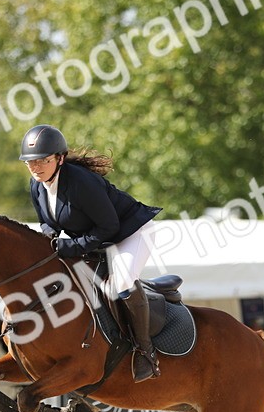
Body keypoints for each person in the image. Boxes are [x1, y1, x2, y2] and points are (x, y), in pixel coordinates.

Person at [19, 124, 163, 381]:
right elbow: (47, 223)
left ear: (60, 159)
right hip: (98, 239)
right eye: (31, 162)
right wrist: (49, 241)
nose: (36, 167)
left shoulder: (81, 182)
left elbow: (109, 226)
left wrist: (70, 247)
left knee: (121, 282)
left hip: (130, 233)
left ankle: (146, 351)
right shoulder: (36, 185)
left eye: (43, 160)